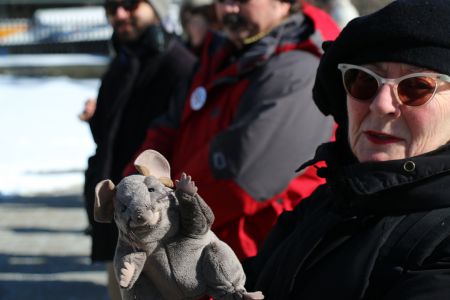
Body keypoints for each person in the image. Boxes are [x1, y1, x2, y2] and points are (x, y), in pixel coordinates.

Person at [243, 0, 450, 298]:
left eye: (416, 86)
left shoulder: (442, 243)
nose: (381, 104)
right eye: (364, 81)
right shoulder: (329, 198)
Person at [124, 0, 334, 260]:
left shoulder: (298, 71)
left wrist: (163, 217)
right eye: (223, 1)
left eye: (241, 1)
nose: (228, 10)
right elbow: (169, 127)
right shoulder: (220, 55)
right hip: (192, 244)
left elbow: (240, 175)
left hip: (249, 255)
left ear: (283, 3)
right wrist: (132, 187)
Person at [81, 0, 196, 298]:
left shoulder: (179, 64)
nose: (119, 14)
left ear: (156, 10)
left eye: (130, 4)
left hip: (153, 232)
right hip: (119, 223)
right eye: (111, 7)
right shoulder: (124, 59)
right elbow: (111, 136)